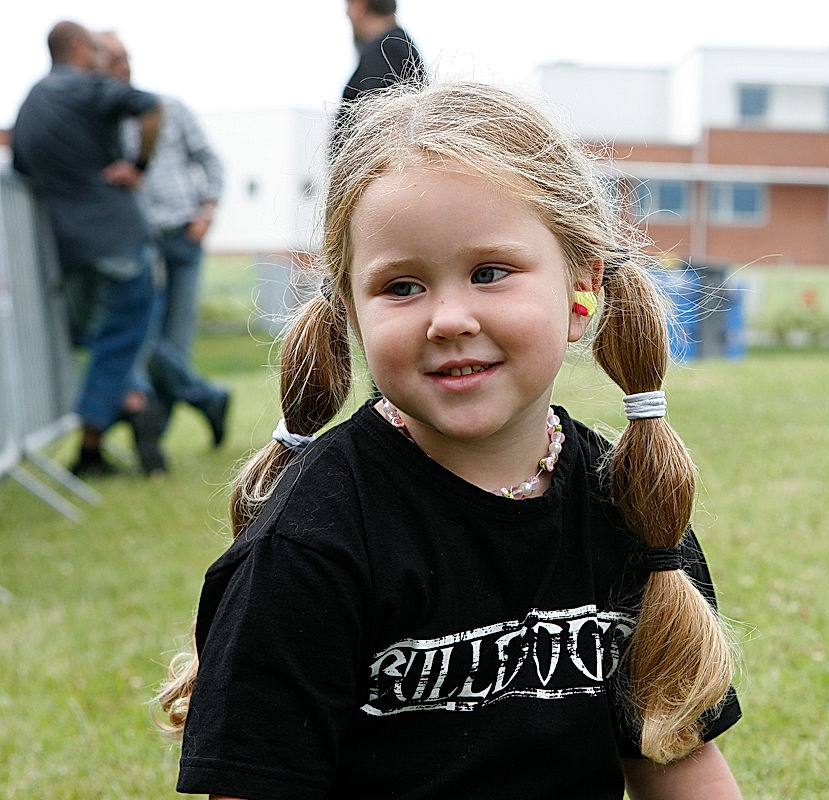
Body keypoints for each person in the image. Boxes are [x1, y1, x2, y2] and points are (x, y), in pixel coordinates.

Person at [156, 81, 742, 799]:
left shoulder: (632, 503)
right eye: (402, 287)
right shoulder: (311, 544)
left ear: (581, 292)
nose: (449, 318)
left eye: (490, 273)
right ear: (349, 310)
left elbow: (674, 758)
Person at [10, 21, 165, 476]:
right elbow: (151, 107)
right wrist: (138, 164)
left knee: (94, 340)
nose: (104, 58)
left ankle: (126, 413)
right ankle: (101, 439)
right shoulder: (90, 88)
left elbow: (22, 164)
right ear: (79, 48)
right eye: (98, 49)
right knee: (119, 344)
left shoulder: (31, 103)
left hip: (67, 248)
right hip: (120, 237)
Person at [95, 32, 231, 450]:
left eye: (125, 58)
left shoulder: (169, 108)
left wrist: (206, 212)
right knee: (146, 342)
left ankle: (157, 439)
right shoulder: (102, 124)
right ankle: (208, 398)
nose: (121, 66)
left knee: (174, 343)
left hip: (183, 237)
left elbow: (209, 159)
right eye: (111, 59)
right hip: (139, 245)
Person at [335, 0, 426, 134]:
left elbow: (375, 127)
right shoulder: (399, 44)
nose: (347, 13)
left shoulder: (383, 49)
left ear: (360, 7)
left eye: (348, 6)